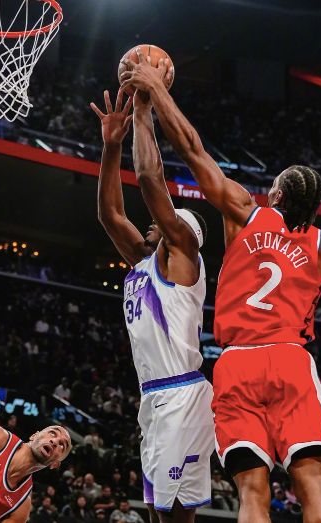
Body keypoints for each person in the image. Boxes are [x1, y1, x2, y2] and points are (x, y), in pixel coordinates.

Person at [121, 51, 321, 523]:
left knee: (253, 493)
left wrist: (155, 91)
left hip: (237, 363)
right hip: (290, 360)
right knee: (312, 486)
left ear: (276, 195)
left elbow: (192, 149)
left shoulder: (244, 213)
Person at [91, 87, 214, 523]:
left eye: (163, 220)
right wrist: (111, 146)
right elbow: (110, 215)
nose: (151, 221)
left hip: (180, 394)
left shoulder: (183, 256)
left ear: (180, 230)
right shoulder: (145, 263)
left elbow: (148, 179)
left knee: (171, 515)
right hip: (155, 397)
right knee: (160, 512)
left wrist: (143, 112)